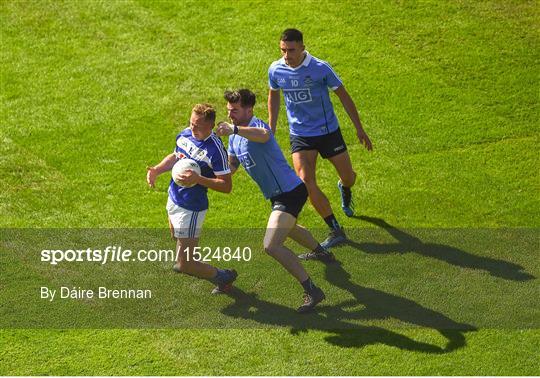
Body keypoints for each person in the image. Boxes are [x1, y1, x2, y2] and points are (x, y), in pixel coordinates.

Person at [216, 89, 335, 313]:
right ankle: (321, 252)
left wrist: (234, 128)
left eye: (235, 110)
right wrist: (208, 176)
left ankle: (312, 290)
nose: (230, 114)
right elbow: (232, 167)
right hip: (277, 195)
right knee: (288, 228)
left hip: (291, 191)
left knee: (271, 245)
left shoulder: (257, 126)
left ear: (249, 110)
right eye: (229, 111)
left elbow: (263, 135)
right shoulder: (234, 137)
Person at [267, 28, 373, 248]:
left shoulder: (320, 68)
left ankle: (344, 187)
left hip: (328, 133)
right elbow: (273, 97)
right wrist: (271, 129)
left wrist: (359, 129)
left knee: (349, 177)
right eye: (283, 50)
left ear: (303, 48)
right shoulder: (276, 70)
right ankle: (335, 229)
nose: (287, 55)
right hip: (300, 135)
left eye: (291, 50)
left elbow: (344, 97)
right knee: (306, 182)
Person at [146, 103, 237, 294]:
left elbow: (226, 186)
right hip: (173, 198)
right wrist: (157, 169)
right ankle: (209, 269)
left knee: (183, 265)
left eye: (198, 126)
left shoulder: (215, 150)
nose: (192, 128)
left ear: (210, 127)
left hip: (191, 208)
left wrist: (198, 179)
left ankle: (224, 277)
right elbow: (175, 156)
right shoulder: (186, 134)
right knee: (175, 237)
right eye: (191, 123)